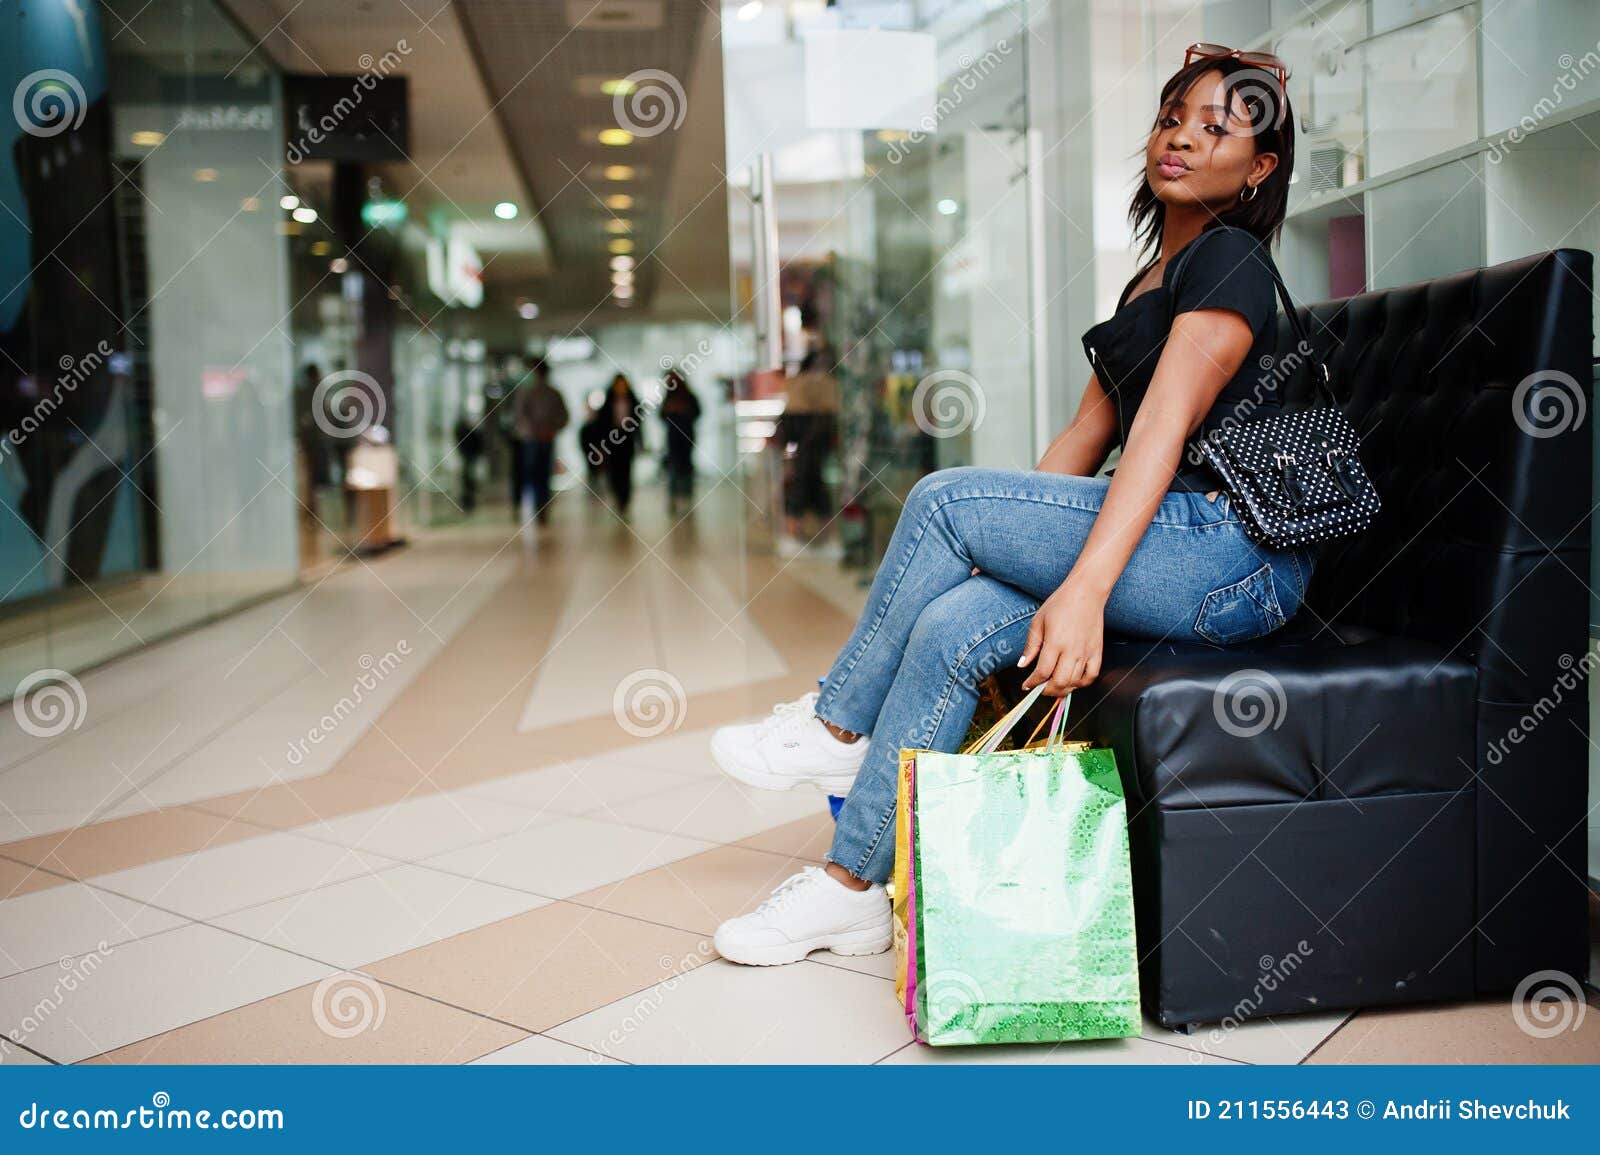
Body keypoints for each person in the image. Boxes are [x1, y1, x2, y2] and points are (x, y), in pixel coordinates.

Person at [707, 49, 1317, 966]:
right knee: (958, 617)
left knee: (946, 497)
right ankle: (849, 888)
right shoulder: (1152, 278)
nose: (1181, 137)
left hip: (1238, 556)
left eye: (1215, 127)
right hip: (1175, 540)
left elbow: (1155, 438)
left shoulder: (1230, 261)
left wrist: (1078, 590)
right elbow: (1084, 441)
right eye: (1171, 118)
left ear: (1260, 168)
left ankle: (838, 726)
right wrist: (1015, 554)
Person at [778, 351, 839, 536]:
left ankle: (800, 524)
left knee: (806, 477)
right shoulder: (824, 383)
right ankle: (807, 524)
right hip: (811, 427)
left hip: (809, 428)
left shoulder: (800, 383)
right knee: (807, 477)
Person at [512, 360, 569, 524]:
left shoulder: (553, 393)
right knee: (530, 474)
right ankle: (527, 505)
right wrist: (534, 431)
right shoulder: (526, 392)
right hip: (531, 440)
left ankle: (542, 508)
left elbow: (564, 417)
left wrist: (550, 429)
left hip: (546, 439)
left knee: (543, 475)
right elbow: (520, 417)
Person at [597, 373, 642, 513]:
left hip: (627, 439)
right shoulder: (608, 403)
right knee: (614, 470)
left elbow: (639, 425)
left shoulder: (633, 402)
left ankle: (625, 499)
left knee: (626, 471)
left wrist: (640, 442)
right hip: (612, 440)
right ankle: (618, 497)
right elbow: (602, 425)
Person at [659, 368, 702, 513]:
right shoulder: (668, 397)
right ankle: (674, 498)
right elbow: (661, 416)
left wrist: (684, 412)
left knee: (686, 469)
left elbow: (698, 412)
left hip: (687, 437)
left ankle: (686, 498)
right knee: (673, 469)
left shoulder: (688, 396)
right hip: (672, 440)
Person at [453, 406, 486, 513]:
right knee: (467, 477)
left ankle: (469, 498)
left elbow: (479, 442)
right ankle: (467, 500)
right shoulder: (463, 429)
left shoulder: (472, 429)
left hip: (470, 456)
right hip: (467, 456)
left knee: (469, 477)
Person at [579, 392, 608, 494]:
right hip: (589, 444)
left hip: (597, 443)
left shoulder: (601, 423)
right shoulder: (586, 426)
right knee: (592, 468)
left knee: (598, 469)